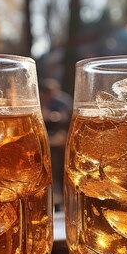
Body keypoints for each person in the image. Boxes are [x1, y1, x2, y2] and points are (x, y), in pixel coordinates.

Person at [40, 79, 73, 207]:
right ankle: (54, 197)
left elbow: (67, 117)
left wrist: (52, 116)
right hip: (48, 140)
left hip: (59, 139)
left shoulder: (62, 101)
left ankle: (62, 198)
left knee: (59, 168)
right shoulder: (42, 100)